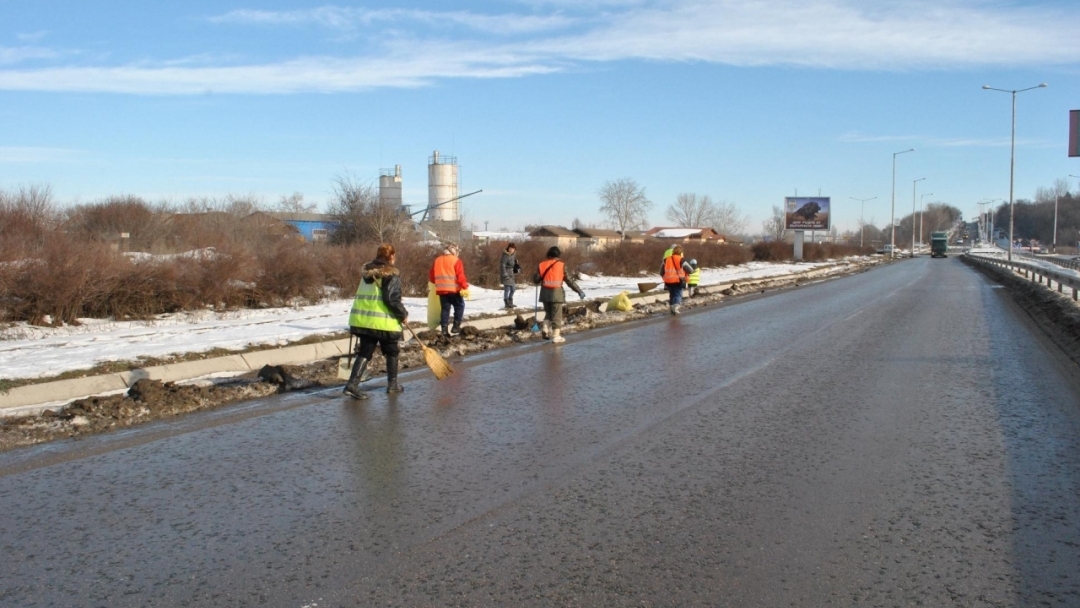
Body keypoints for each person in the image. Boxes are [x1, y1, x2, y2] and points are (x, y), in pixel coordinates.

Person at [344, 243, 409, 399]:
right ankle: (392, 385)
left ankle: (352, 385)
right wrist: (403, 314)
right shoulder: (391, 275)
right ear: (391, 256)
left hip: (364, 321)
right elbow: (391, 299)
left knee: (365, 351)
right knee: (392, 351)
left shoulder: (367, 274)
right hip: (383, 322)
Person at [535, 246, 585, 344]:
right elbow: (569, 280)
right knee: (557, 315)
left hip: (545, 294)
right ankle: (556, 336)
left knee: (548, 313)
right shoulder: (561, 265)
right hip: (556, 294)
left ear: (549, 254)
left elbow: (536, 279)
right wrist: (579, 291)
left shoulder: (541, 265)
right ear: (558, 255)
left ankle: (545, 329)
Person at [429, 242, 469, 337]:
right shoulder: (456, 260)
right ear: (454, 251)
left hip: (441, 290)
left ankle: (444, 330)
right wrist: (464, 286)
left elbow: (432, 277)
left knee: (445, 309)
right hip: (453, 290)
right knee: (459, 306)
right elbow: (460, 276)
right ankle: (456, 326)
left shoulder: (437, 260)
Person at [660, 244, 693, 315]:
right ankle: (675, 306)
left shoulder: (666, 260)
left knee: (672, 294)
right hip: (678, 281)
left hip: (668, 281)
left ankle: (672, 307)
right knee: (677, 294)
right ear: (680, 252)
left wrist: (665, 277)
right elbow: (690, 270)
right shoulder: (681, 259)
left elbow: (661, 271)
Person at [500, 242, 520, 309]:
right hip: (506, 274)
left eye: (513, 248)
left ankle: (510, 301)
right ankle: (507, 303)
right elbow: (502, 266)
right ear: (508, 248)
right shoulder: (505, 256)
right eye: (510, 248)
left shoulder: (513, 255)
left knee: (513, 289)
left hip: (511, 274)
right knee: (507, 289)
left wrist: (516, 264)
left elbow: (512, 263)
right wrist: (505, 275)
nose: (511, 250)